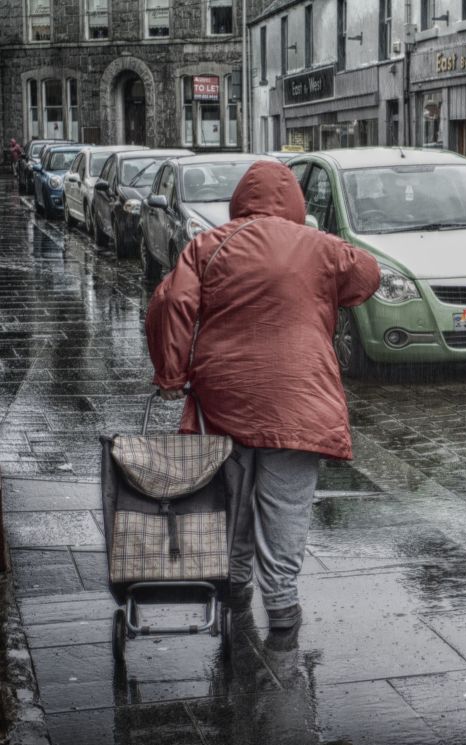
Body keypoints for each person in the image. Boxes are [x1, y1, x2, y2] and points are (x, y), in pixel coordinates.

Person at [145, 160, 381, 632]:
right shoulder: (320, 247)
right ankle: (282, 605)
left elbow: (171, 303)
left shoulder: (208, 246)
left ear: (239, 199)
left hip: (224, 396)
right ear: (295, 201)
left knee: (230, 498)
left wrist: (172, 375)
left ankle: (234, 587)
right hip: (299, 395)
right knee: (286, 503)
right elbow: (368, 277)